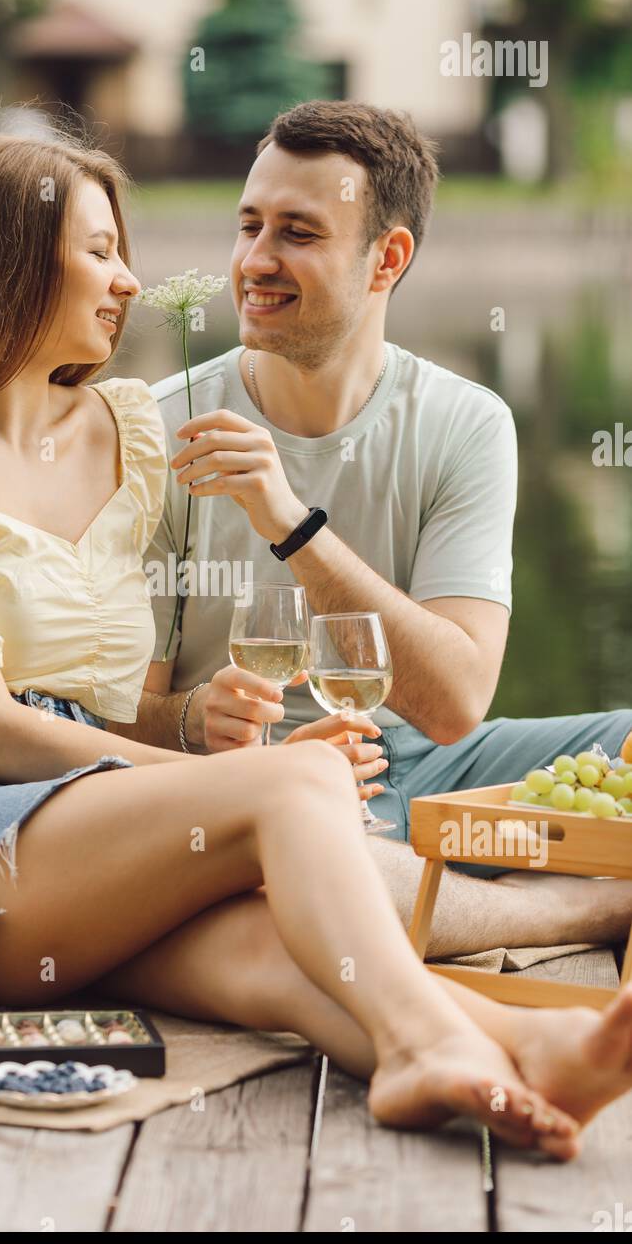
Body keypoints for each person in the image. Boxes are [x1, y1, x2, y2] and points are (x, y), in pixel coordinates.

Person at [0, 124, 632, 1161]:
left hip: (72, 848)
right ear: (3, 260)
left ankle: (519, 1046)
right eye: (99, 251)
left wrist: (192, 725)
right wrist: (247, 780)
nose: (130, 280)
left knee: (280, 955)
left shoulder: (124, 438)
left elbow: (97, 708)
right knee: (295, 792)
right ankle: (435, 1031)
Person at [120, 99, 632, 924]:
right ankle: (569, 912)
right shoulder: (159, 426)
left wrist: (294, 525)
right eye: (248, 226)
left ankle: (436, 883)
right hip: (244, 782)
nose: (256, 260)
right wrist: (191, 722)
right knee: (320, 861)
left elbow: (457, 701)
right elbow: (104, 719)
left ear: (387, 258)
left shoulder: (467, 423)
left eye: (299, 232)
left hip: (423, 761)